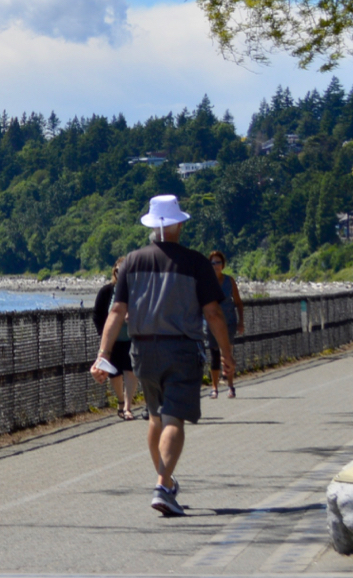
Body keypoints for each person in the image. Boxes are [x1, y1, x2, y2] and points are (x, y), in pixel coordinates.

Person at [93, 195, 234, 517]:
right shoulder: (196, 262)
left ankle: (166, 483)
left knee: (155, 416)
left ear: (152, 227)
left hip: (143, 350)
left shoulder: (131, 261)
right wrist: (226, 354)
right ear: (179, 224)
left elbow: (117, 311)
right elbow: (213, 313)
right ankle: (162, 485)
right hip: (182, 349)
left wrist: (102, 354)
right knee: (174, 419)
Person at [88, 281, 136, 418]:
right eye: (118, 271)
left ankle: (127, 407)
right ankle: (120, 401)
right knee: (114, 374)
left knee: (130, 371)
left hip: (131, 338)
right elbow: (97, 314)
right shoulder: (107, 291)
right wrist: (103, 334)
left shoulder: (135, 289)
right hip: (112, 341)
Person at [205, 250, 242, 398]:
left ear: (223, 264)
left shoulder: (229, 281)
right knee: (214, 355)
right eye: (212, 263)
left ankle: (231, 386)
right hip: (211, 324)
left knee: (227, 354)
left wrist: (241, 322)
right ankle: (214, 387)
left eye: (218, 262)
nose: (215, 265)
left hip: (229, 323)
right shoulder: (206, 282)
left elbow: (238, 302)